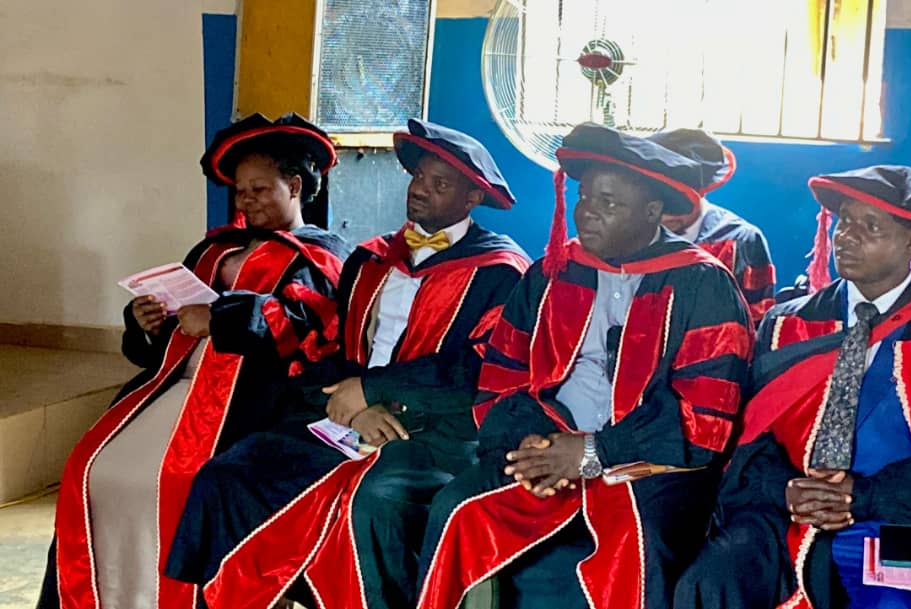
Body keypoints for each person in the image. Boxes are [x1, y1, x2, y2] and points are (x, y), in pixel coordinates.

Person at [163, 119, 530, 609]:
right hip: (346, 417)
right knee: (229, 474)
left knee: (373, 503)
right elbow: (326, 349)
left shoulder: (502, 273)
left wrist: (374, 390)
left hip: (434, 433)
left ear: (472, 198)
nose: (420, 190)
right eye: (418, 177)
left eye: (440, 184)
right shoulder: (370, 259)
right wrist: (354, 406)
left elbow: (480, 372)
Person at [416, 123, 753, 609]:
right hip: (546, 442)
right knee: (456, 508)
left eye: (608, 203)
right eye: (584, 197)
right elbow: (503, 375)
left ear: (652, 211)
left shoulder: (703, 284)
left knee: (637, 550)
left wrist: (593, 452)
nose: (587, 212)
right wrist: (532, 446)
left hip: (649, 468)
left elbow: (705, 418)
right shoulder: (553, 270)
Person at [38, 114, 351, 609]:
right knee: (91, 469)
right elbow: (167, 330)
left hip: (249, 401)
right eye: (240, 192)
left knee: (172, 482)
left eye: (259, 189)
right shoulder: (214, 249)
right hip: (172, 387)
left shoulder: (322, 256)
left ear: (294, 186)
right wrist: (148, 322)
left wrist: (220, 319)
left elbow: (302, 327)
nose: (246, 201)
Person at [675, 165, 911, 609]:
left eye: (870, 226)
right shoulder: (787, 324)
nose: (846, 236)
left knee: (898, 600)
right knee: (711, 581)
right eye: (844, 221)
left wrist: (864, 495)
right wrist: (784, 488)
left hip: (904, 517)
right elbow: (745, 440)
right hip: (786, 515)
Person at [650, 129, 776, 323]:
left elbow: (756, 319)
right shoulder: (631, 231)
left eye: (678, 203)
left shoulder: (741, 241)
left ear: (702, 192)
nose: (664, 214)